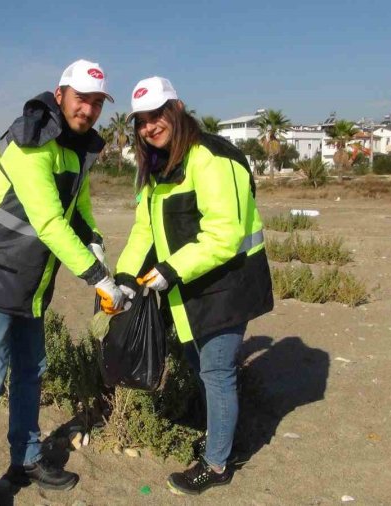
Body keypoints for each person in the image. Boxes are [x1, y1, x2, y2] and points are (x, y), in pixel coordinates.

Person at [0, 59, 126, 505]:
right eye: (81, 99)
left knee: (31, 371)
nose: (87, 110)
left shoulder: (78, 146)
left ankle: (26, 459)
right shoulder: (31, 140)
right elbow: (48, 221)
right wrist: (97, 278)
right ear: (60, 93)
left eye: (96, 103)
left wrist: (94, 238)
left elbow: (78, 203)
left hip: (31, 279)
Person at [112, 76, 273, 495]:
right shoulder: (157, 167)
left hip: (226, 286)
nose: (150, 126)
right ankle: (218, 435)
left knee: (216, 371)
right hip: (187, 289)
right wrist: (125, 278)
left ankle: (217, 464)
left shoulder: (211, 157)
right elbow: (143, 229)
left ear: (178, 108)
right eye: (142, 121)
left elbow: (225, 234)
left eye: (157, 114)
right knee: (201, 368)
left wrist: (169, 270)